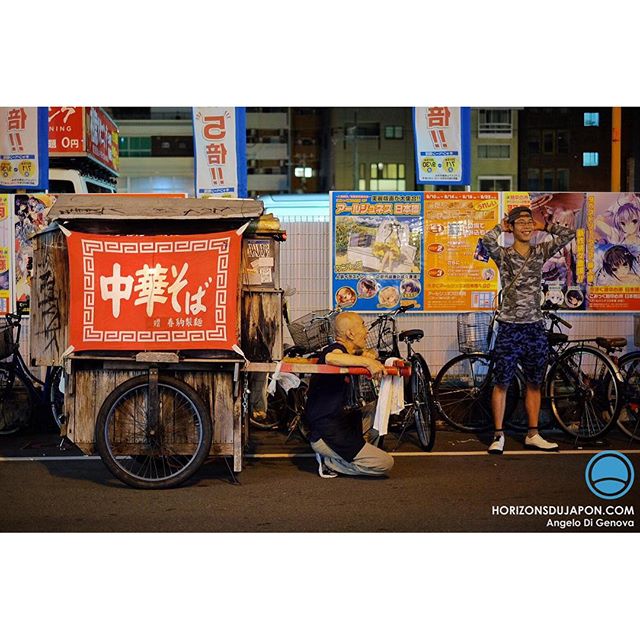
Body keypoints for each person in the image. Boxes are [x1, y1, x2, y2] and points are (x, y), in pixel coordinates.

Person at [481, 205, 576, 454]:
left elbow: (569, 235)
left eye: (528, 221)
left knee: (535, 382)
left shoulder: (540, 251)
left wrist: (545, 225)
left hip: (534, 327)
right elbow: (486, 240)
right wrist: (499, 227)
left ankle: (533, 434)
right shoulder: (503, 255)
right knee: (501, 382)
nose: (525, 225)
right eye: (519, 222)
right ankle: (498, 435)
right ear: (511, 227)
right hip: (509, 328)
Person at [304, 311, 394, 477]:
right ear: (350, 333)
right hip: (326, 432)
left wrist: (370, 356)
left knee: (375, 408)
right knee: (385, 463)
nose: (366, 331)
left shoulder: (349, 352)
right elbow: (332, 358)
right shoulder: (334, 350)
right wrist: (368, 362)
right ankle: (332, 463)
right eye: (362, 325)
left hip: (340, 422)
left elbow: (366, 353)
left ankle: (355, 453)